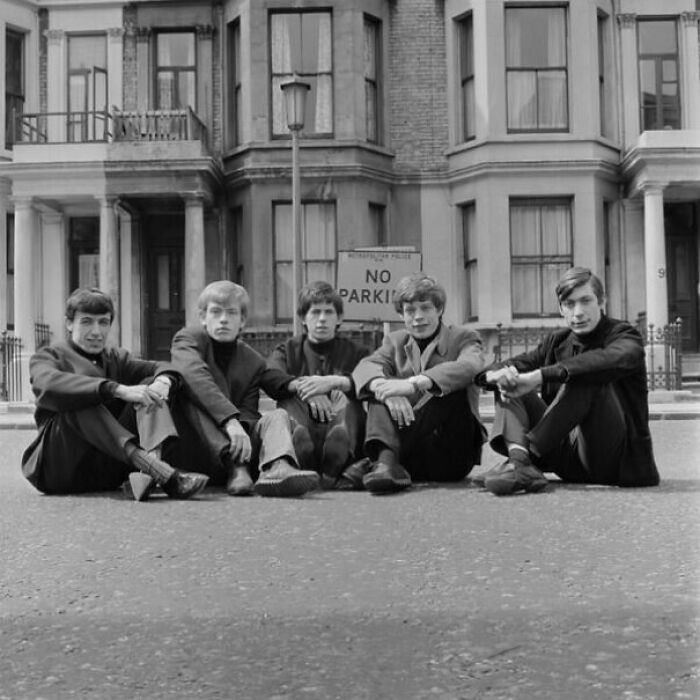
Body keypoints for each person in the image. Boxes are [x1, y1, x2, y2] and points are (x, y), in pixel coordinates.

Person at [475, 266, 660, 496]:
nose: (578, 312)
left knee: (585, 374)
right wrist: (494, 376)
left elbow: (605, 360)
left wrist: (539, 375)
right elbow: (514, 364)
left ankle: (526, 457)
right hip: (565, 458)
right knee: (508, 381)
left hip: (613, 460)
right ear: (561, 309)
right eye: (569, 304)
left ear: (602, 301)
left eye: (586, 301)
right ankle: (520, 463)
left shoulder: (624, 335)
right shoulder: (557, 341)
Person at [21, 288, 209, 500]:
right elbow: (47, 383)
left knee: (149, 387)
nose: (96, 332)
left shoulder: (115, 358)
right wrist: (117, 389)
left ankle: (152, 467)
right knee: (81, 399)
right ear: (69, 324)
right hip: (60, 469)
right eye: (86, 322)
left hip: (106, 468)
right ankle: (156, 469)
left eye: (103, 322)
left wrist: (163, 382)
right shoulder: (49, 356)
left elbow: (163, 366)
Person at [170, 280, 320, 498]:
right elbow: (194, 376)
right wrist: (230, 421)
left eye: (231, 313)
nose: (223, 319)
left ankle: (279, 466)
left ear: (242, 321)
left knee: (277, 415)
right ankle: (237, 466)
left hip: (239, 452)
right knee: (190, 396)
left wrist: (302, 386)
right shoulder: (188, 339)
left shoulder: (252, 360)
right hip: (198, 449)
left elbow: (252, 406)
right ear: (203, 317)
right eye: (216, 312)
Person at [352, 272, 486, 493]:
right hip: (408, 456)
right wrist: (386, 391)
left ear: (439, 310)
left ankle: (373, 463)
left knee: (450, 389)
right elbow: (366, 366)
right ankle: (385, 465)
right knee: (380, 389)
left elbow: (471, 366)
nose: (418, 317)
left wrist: (413, 384)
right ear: (401, 314)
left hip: (451, 456)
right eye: (410, 310)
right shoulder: (395, 341)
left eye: (425, 308)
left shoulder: (464, 337)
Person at [267, 281, 370, 488]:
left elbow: (371, 381)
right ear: (303, 318)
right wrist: (307, 389)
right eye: (315, 312)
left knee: (345, 395)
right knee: (288, 400)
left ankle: (335, 457)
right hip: (304, 421)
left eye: (328, 312)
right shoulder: (287, 350)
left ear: (339, 317)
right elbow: (270, 376)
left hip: (340, 421)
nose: (322, 319)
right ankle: (301, 449)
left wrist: (332, 383)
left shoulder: (358, 352)